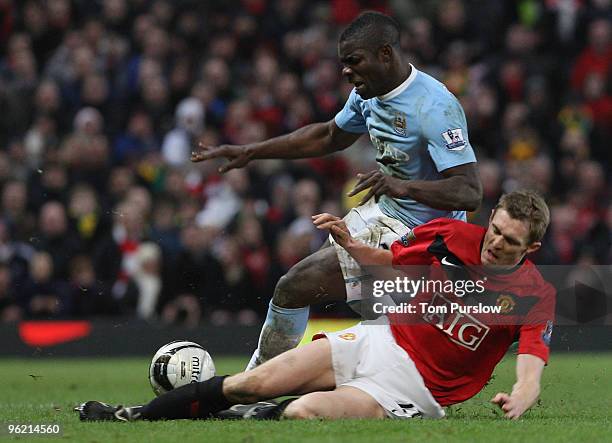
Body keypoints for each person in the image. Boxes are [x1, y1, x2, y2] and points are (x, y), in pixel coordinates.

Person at [76, 190, 555, 421]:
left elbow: (531, 367)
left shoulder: (536, 296)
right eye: (495, 229)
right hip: (381, 339)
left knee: (302, 414)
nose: (495, 244)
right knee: (252, 383)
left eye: (510, 242)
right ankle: (130, 415)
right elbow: (389, 259)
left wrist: (523, 395)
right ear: (490, 218)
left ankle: (241, 418)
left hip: (416, 390)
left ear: (529, 249)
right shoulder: (452, 235)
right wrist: (351, 243)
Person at [190, 11, 482, 369]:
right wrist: (251, 151)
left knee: (318, 301)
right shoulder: (368, 94)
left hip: (428, 238)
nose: (346, 72)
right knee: (293, 289)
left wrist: (403, 186)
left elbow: (469, 191)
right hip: (386, 218)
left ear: (385, 54)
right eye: (343, 63)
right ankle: (255, 388)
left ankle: (255, 389)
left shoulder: (435, 106)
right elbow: (329, 135)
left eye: (354, 61)